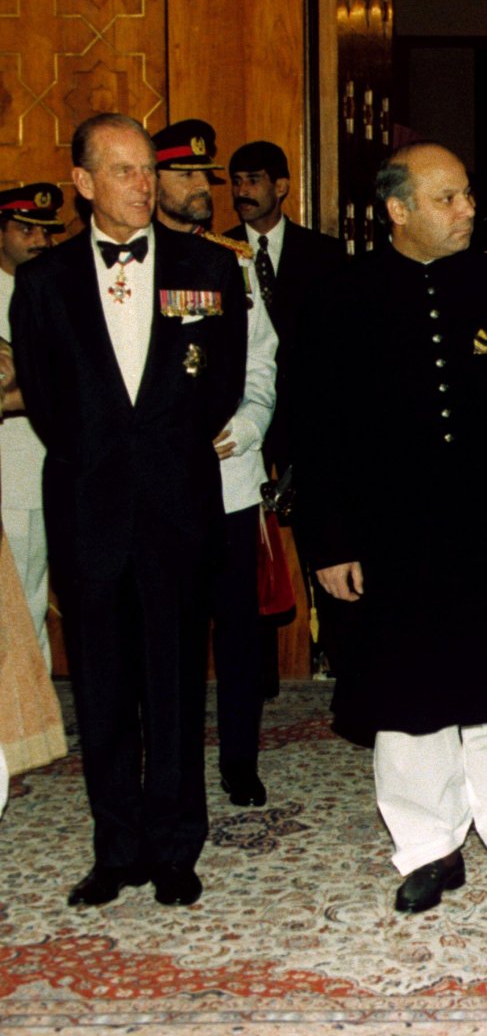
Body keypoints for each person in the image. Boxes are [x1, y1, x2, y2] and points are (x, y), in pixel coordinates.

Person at [295, 142, 487, 915]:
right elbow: (315, 432)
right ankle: (428, 847)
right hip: (392, 533)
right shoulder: (338, 295)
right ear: (397, 209)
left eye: (465, 197)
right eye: (447, 199)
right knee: (408, 696)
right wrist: (330, 542)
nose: (468, 211)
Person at [12, 113, 246, 905]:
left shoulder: (209, 268)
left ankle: (178, 846)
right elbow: (43, 401)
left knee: (178, 682)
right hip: (89, 508)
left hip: (179, 503)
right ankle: (117, 848)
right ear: (82, 183)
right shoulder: (43, 284)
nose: (144, 186)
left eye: (148, 170)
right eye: (123, 171)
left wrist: (164, 449)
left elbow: (222, 382)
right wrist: (108, 455)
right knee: (103, 687)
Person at [153, 121, 278, 807]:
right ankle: (171, 765)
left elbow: (262, 357)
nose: (207, 188)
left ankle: (239, 758)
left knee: (239, 633)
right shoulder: (135, 263)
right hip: (163, 484)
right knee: (167, 633)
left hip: (230, 476)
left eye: (210, 176)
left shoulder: (234, 262)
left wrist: (252, 418)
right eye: (190, 176)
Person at [225, 141, 345, 674]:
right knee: (250, 554)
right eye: (235, 181)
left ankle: (333, 657)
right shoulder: (216, 253)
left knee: (323, 540)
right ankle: (260, 672)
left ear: (282, 186)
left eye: (253, 180)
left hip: (311, 422)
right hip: (244, 422)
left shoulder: (324, 255)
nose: (242, 192)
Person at [0, 184, 65, 668]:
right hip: (10, 467)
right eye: (26, 229)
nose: (40, 240)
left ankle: (33, 728)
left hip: (51, 464)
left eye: (46, 230)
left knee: (32, 600)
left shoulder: (58, 288)